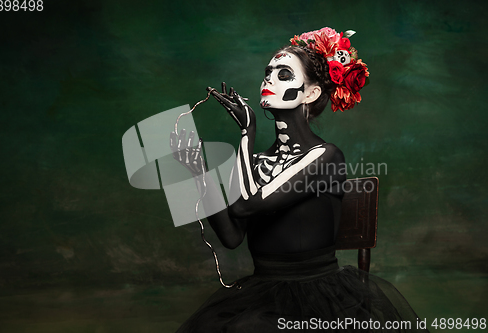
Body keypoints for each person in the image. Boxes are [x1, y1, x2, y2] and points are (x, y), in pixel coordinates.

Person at [171, 27, 428, 332]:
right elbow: (231, 237)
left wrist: (246, 133)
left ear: (311, 92)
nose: (268, 79)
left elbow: (245, 206)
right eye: (268, 72)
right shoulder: (253, 163)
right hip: (263, 290)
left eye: (283, 74)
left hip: (317, 294)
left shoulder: (326, 157)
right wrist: (199, 174)